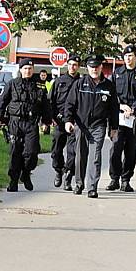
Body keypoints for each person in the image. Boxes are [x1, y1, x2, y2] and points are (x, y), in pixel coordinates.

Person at [64, 54, 119, 198]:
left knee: (95, 157)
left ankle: (92, 187)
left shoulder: (109, 86)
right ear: (87, 68)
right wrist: (68, 121)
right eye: (91, 67)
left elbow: (113, 109)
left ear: (101, 67)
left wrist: (114, 128)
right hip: (81, 125)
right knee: (80, 156)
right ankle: (79, 183)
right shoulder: (80, 84)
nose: (94, 69)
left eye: (97, 67)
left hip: (98, 126)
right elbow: (70, 104)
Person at [0, 59, 51, 192]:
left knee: (31, 153)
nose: (28, 71)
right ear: (20, 70)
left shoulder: (39, 86)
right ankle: (13, 181)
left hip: (31, 123)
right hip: (15, 122)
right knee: (15, 152)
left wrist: (46, 122)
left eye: (30, 69)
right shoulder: (12, 84)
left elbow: (46, 106)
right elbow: (2, 102)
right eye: (25, 68)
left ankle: (25, 174)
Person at [107, 45, 136, 192]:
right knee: (115, 148)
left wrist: (133, 109)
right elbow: (111, 94)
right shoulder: (117, 73)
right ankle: (114, 179)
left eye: (130, 55)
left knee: (131, 151)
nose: (128, 58)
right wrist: (121, 106)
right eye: (125, 56)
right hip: (117, 118)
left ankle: (126, 180)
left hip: (134, 119)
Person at [49, 53, 81, 190]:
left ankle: (68, 175)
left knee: (73, 152)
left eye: (75, 65)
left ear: (78, 67)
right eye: (70, 64)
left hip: (75, 122)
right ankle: (58, 170)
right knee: (56, 150)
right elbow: (51, 101)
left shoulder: (82, 82)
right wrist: (51, 117)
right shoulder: (59, 81)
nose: (72, 67)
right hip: (60, 121)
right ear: (67, 66)